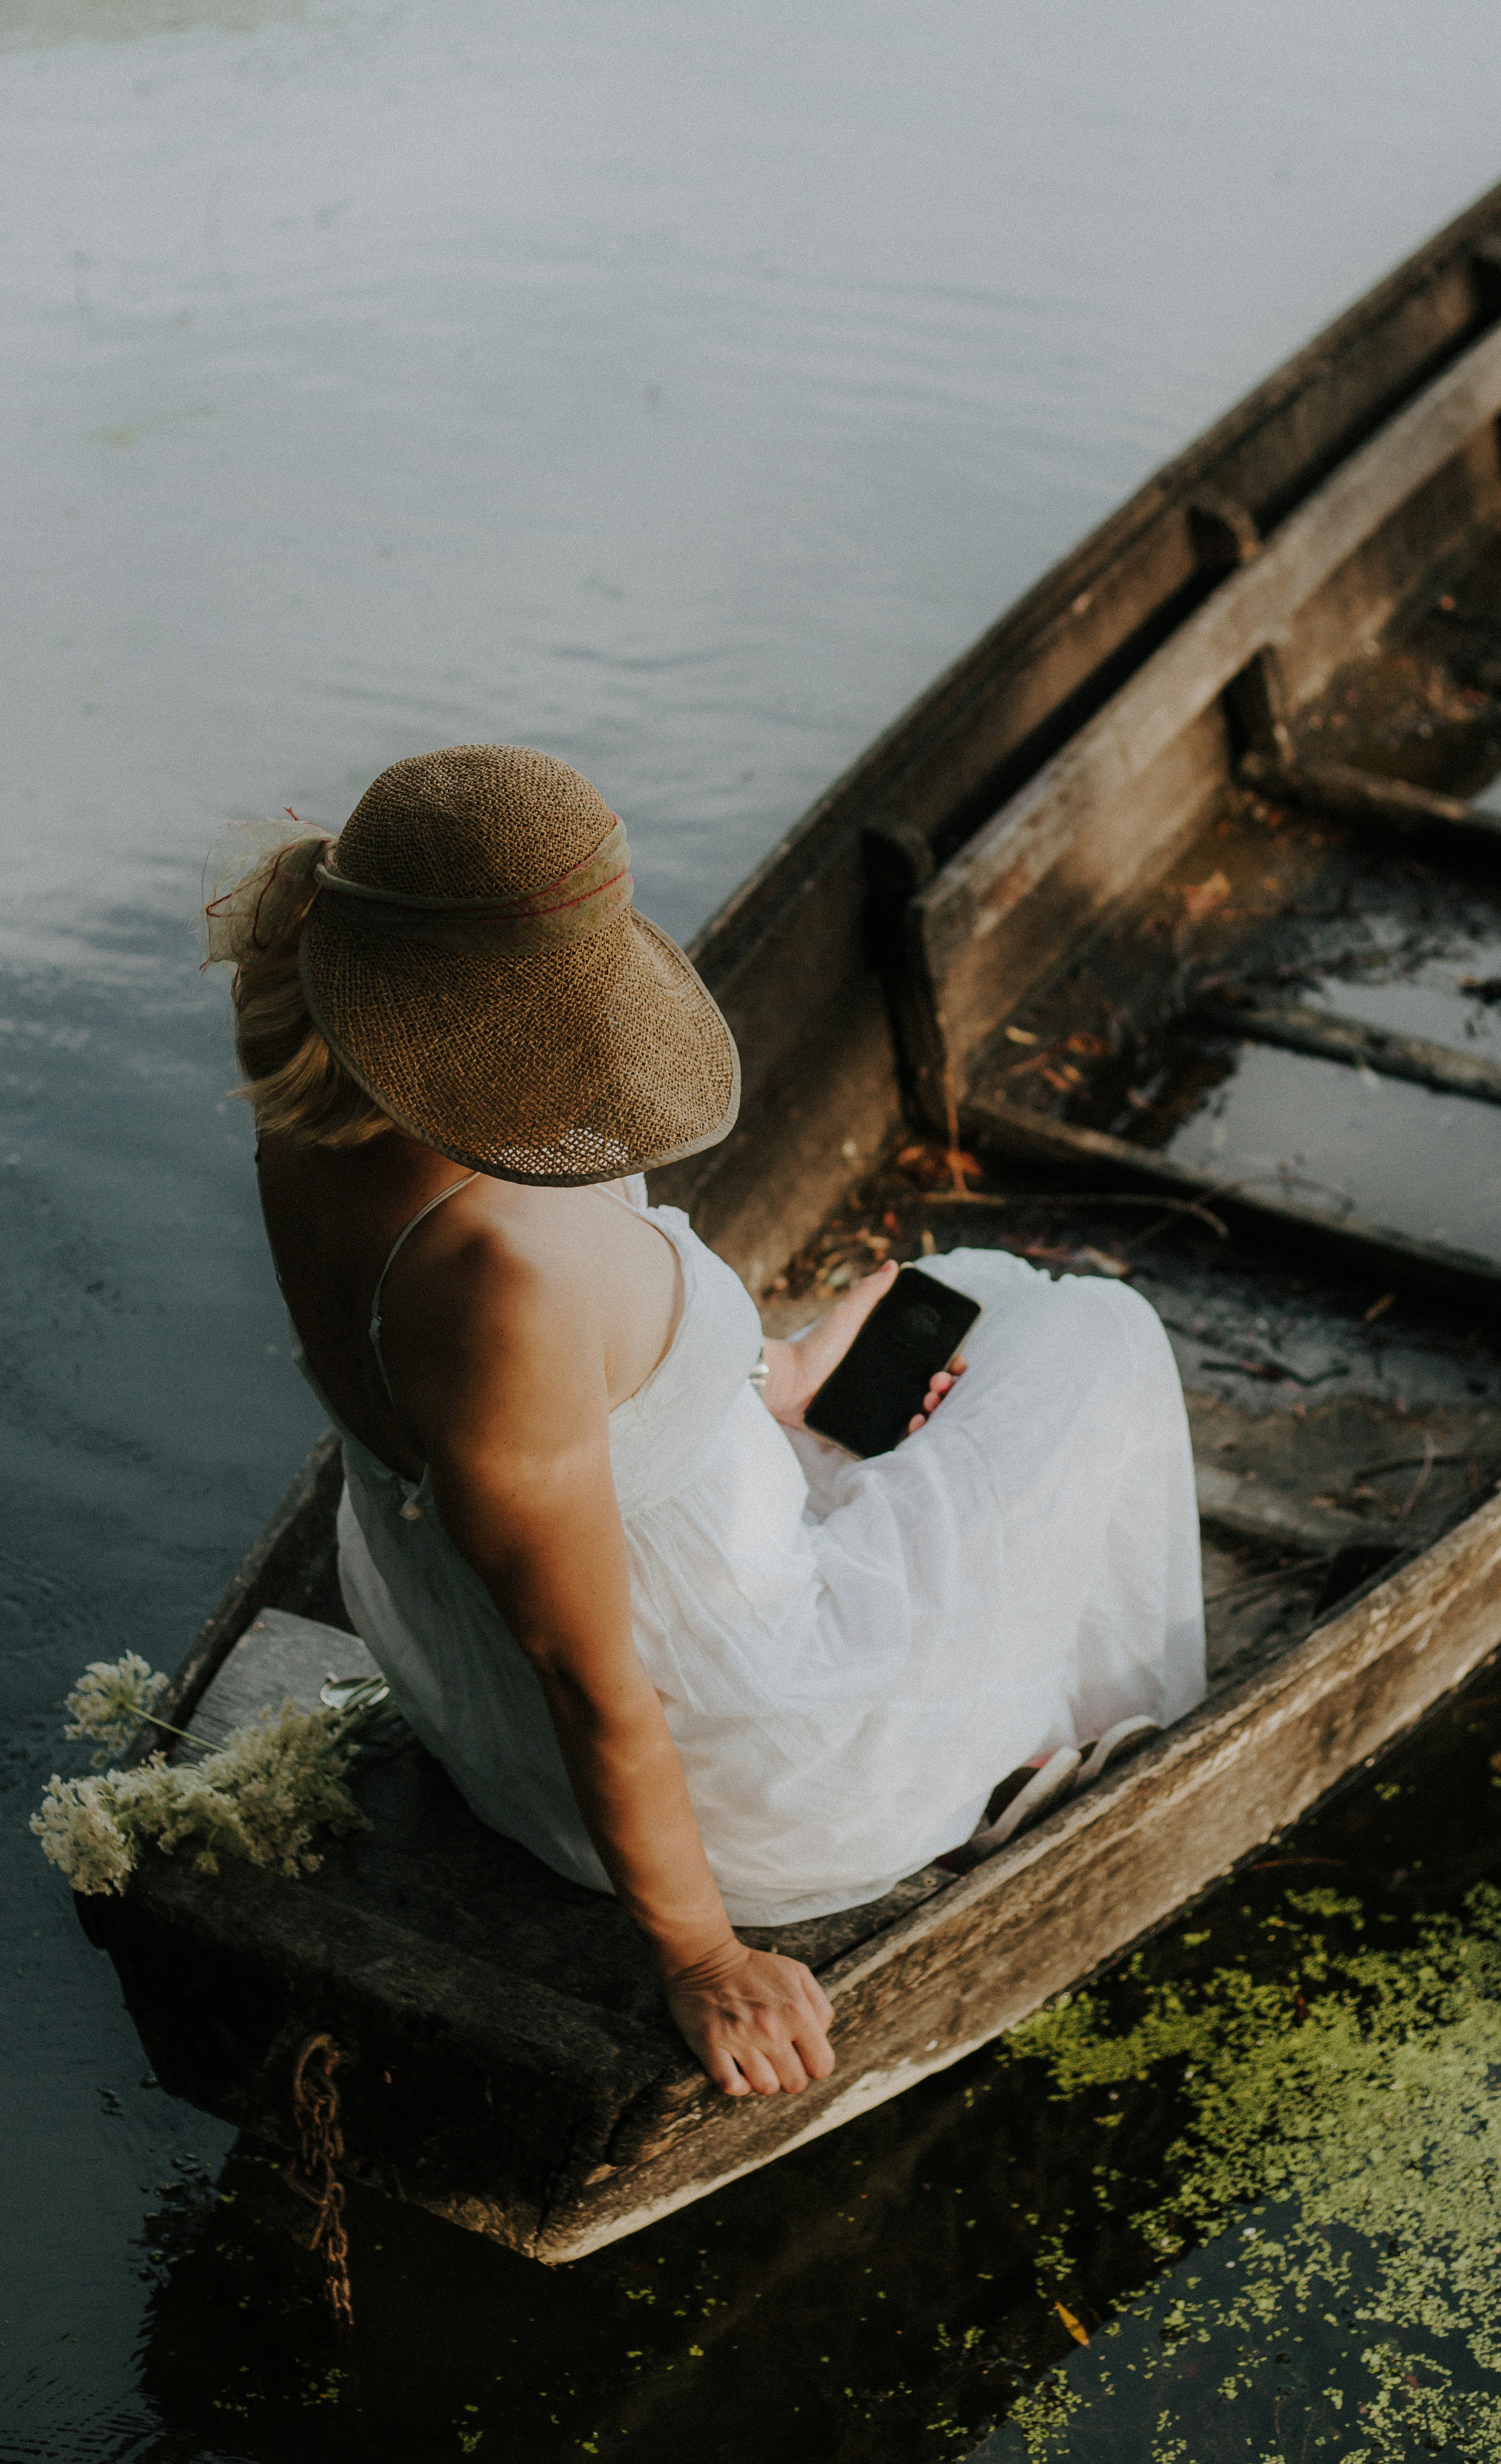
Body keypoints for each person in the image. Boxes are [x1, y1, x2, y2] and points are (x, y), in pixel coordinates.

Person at [205, 746, 1205, 2102]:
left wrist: (773, 1379)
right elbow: (590, 1681)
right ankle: (1011, 1742)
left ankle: (866, 1505)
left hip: (477, 1718)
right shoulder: (502, 1280)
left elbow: (568, 1428)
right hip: (736, 1772)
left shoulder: (311, 1120)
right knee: (1095, 1333)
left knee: (957, 1295)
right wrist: (700, 1955)